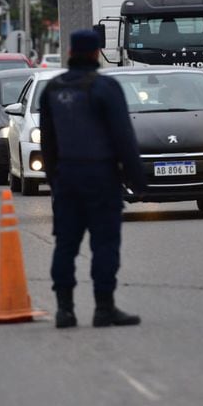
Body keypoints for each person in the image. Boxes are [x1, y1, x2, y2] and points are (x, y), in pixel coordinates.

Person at [39, 29, 147, 329]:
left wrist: (55, 180)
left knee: (65, 245)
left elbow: (47, 142)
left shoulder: (52, 89)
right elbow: (123, 137)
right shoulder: (105, 87)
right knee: (105, 243)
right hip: (101, 176)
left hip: (67, 177)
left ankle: (65, 310)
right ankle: (104, 308)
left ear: (71, 53)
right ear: (96, 53)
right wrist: (137, 182)